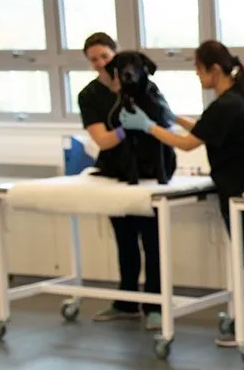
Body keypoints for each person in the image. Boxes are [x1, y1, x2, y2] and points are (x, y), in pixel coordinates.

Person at [117, 40, 244, 346]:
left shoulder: (227, 104)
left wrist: (148, 126)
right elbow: (203, 130)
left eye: (198, 69)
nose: (196, 75)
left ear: (214, 69)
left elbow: (189, 143)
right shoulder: (235, 100)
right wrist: (171, 116)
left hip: (242, 187)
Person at [77, 32, 173, 331]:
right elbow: (103, 141)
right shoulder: (90, 96)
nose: (100, 64)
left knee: (153, 240)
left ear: (116, 55)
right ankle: (126, 301)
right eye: (94, 60)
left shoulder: (148, 87)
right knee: (125, 240)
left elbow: (165, 122)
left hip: (151, 176)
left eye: (104, 56)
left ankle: (155, 304)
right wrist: (124, 130)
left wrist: (148, 125)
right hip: (117, 174)